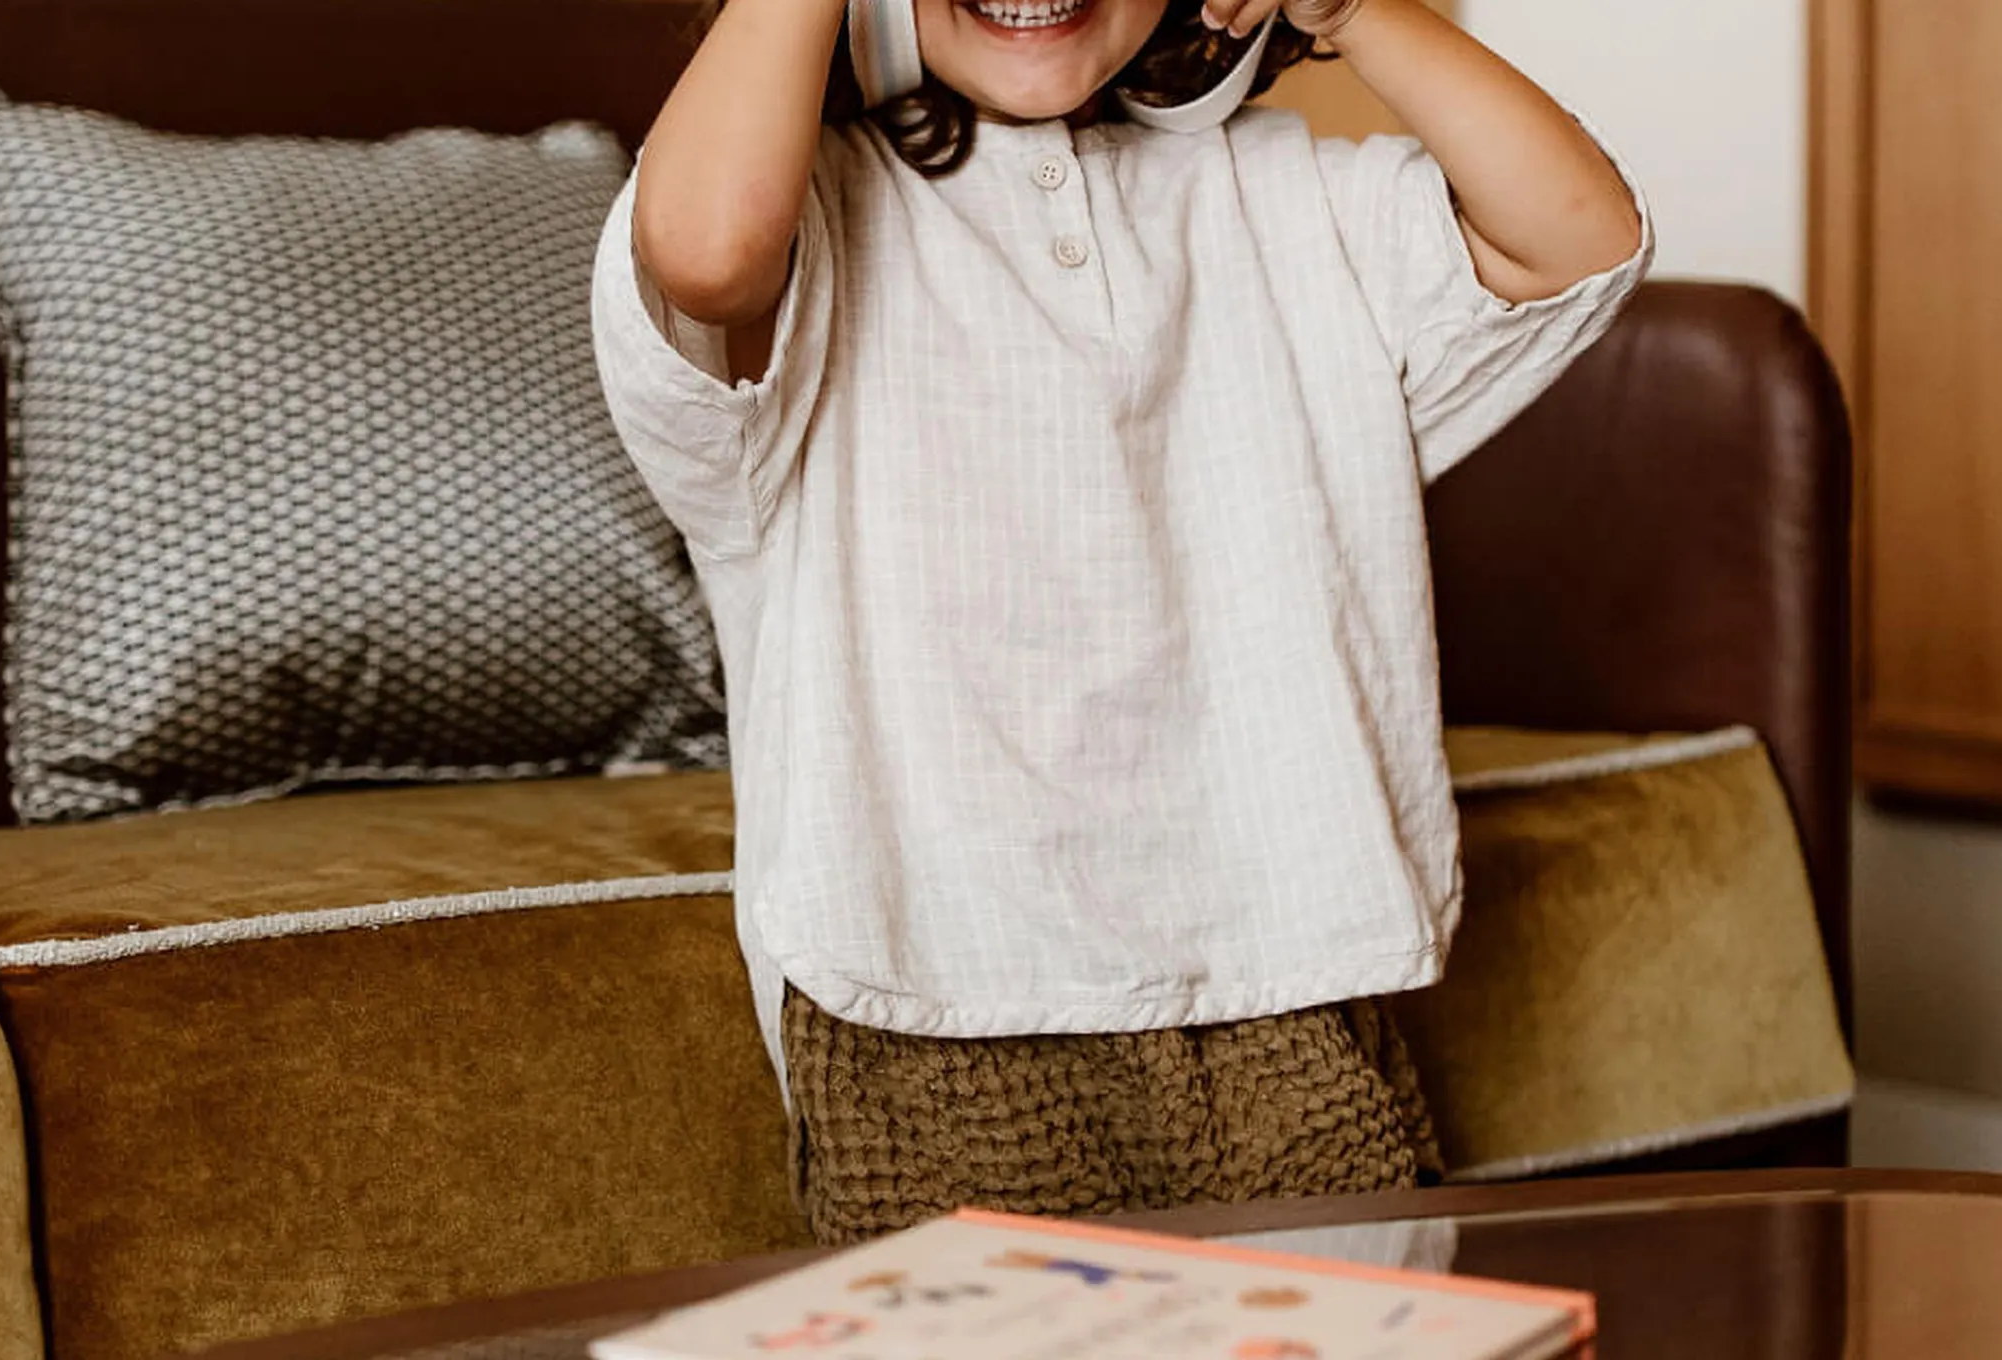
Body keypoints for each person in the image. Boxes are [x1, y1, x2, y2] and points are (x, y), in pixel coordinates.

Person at [588, 0, 1649, 1244]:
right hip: (935, 1005)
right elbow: (708, 253)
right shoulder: (806, 225)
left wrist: (1354, 14)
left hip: (1288, 983)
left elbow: (1581, 237)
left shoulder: (1287, 198)